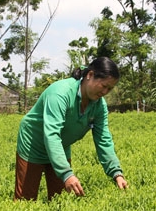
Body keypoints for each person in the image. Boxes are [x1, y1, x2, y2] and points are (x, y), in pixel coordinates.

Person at [14, 57, 128, 201]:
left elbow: (103, 140)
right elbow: (52, 135)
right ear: (90, 75)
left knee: (60, 200)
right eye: (103, 86)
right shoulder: (60, 93)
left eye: (109, 89)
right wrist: (67, 173)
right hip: (33, 144)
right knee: (25, 200)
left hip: (60, 146)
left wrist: (116, 173)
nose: (105, 92)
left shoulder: (99, 106)